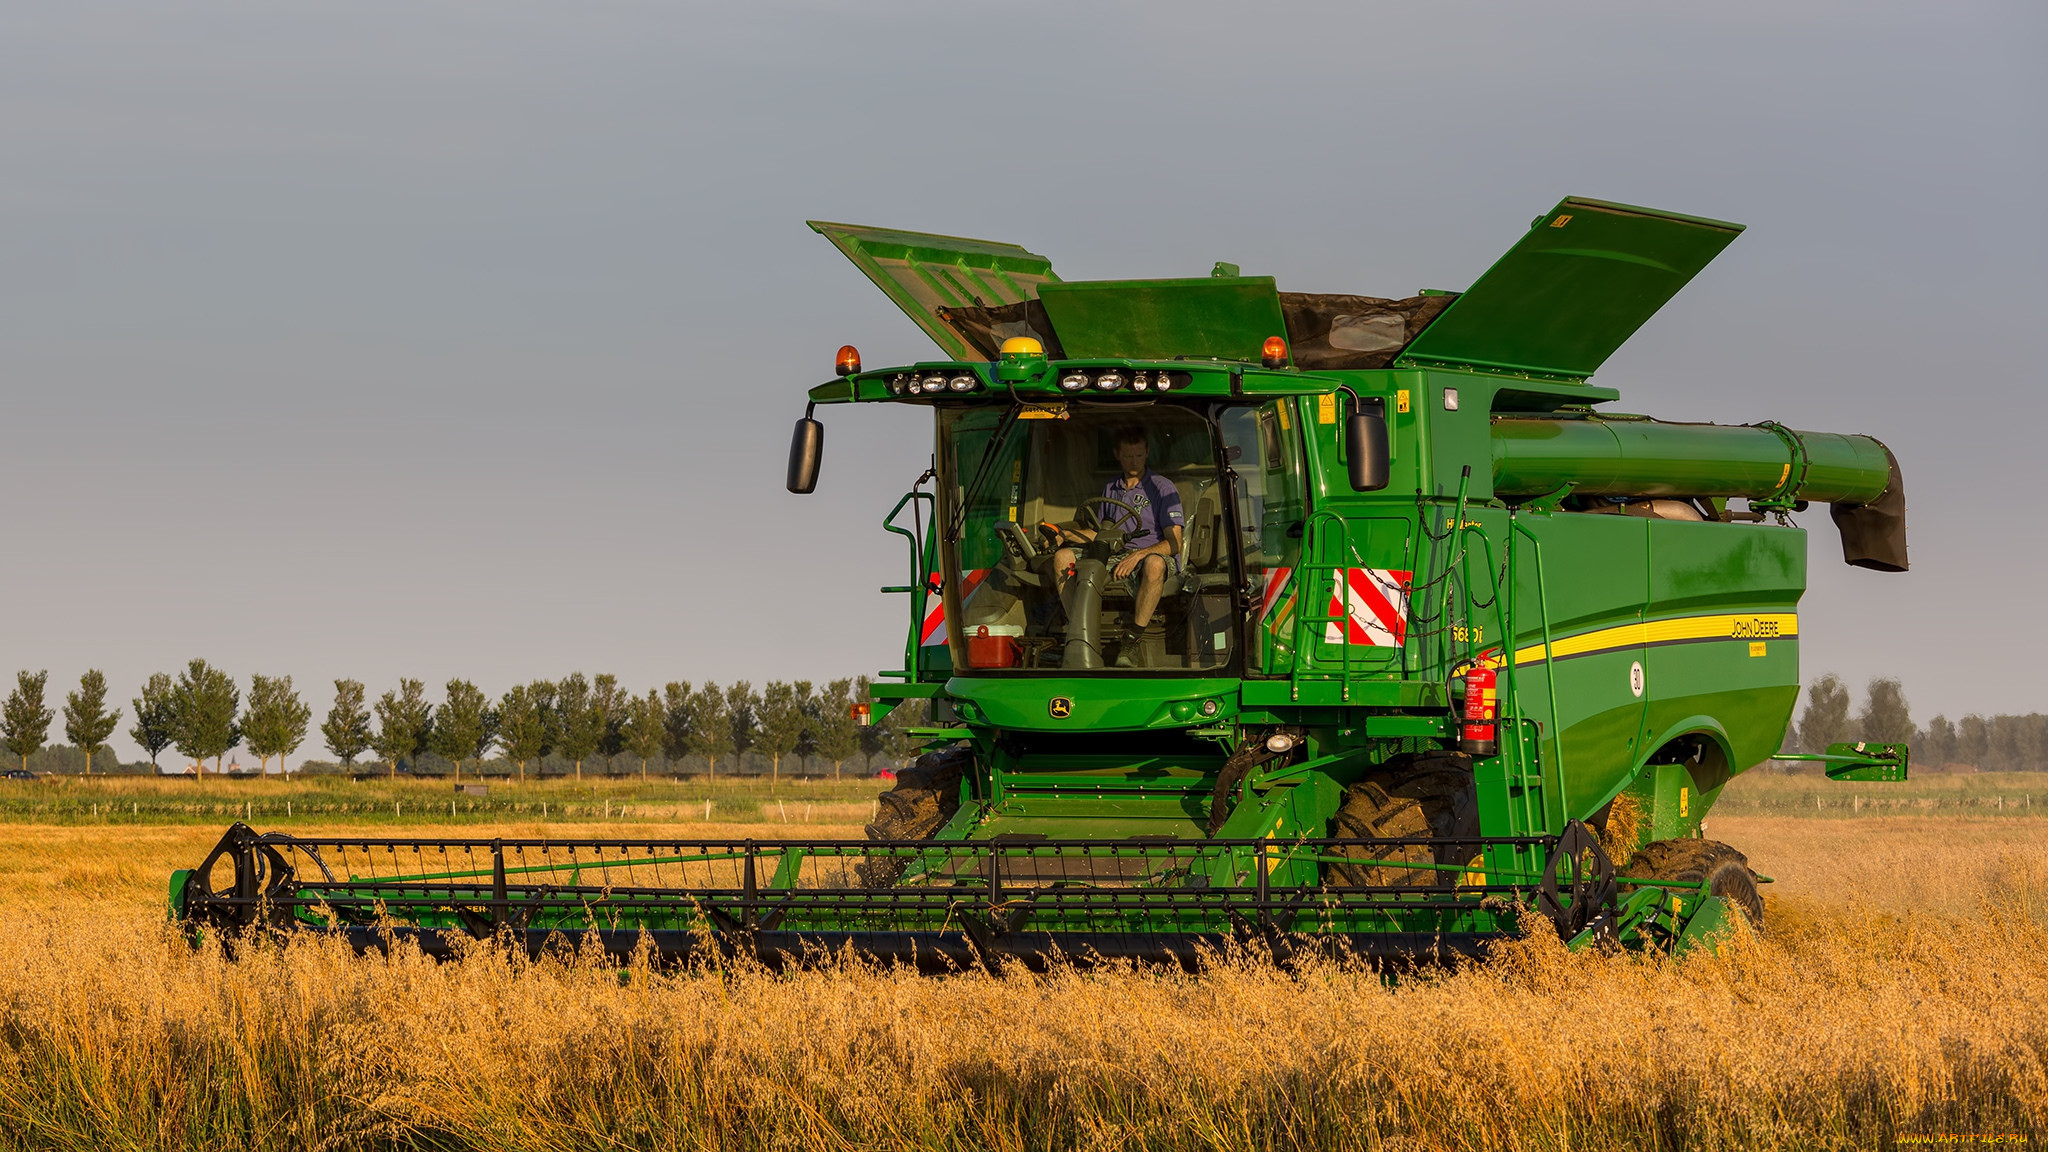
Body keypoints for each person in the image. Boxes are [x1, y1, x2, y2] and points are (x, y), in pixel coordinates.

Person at [1047, 424, 1184, 636]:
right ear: (1117, 454)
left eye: (1139, 455)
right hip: (1114, 553)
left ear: (1147, 452)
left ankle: (1134, 637)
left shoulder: (1163, 488)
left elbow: (1174, 543)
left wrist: (1138, 556)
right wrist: (1064, 535)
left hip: (1149, 555)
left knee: (1154, 564)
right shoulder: (1111, 488)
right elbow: (1101, 533)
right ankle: (1078, 628)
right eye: (1128, 456)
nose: (1134, 461)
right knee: (1062, 557)